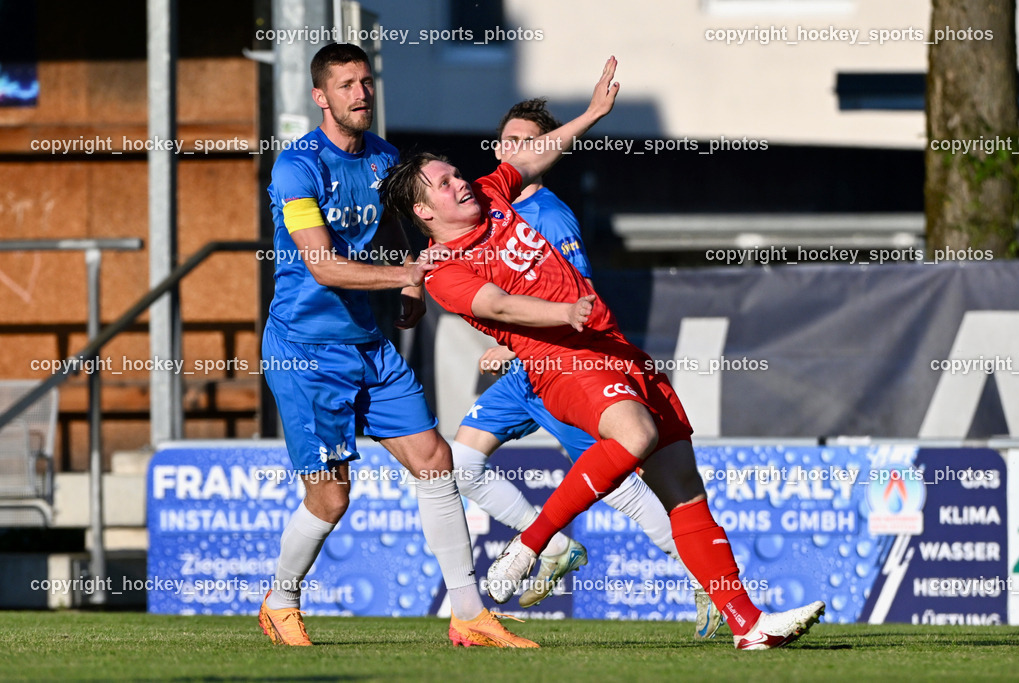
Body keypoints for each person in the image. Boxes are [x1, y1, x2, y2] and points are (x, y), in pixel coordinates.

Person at [380, 56, 825, 650]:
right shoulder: (445, 271)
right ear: (423, 212)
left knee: (685, 491)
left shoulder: (491, 193)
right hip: (561, 360)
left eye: (455, 173)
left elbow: (530, 156)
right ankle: (532, 542)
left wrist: (591, 114)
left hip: (613, 348)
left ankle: (749, 625)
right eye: (443, 182)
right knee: (633, 437)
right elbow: (503, 307)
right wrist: (563, 313)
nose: (461, 180)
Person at [258, 43, 536, 649]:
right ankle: (280, 601)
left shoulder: (386, 158)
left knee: (436, 463)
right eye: (346, 85)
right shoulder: (296, 167)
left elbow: (410, 233)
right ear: (320, 97)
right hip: (306, 352)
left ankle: (469, 615)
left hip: (368, 346)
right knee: (331, 497)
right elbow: (324, 267)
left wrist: (415, 287)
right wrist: (405, 278)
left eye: (365, 81)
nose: (360, 93)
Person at [450, 98, 723, 638]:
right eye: (506, 139)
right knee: (460, 464)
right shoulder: (489, 205)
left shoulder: (550, 216)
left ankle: (706, 582)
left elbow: (579, 299)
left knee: (622, 484)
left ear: (546, 153)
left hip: (563, 368)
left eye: (526, 141)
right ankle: (552, 545)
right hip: (524, 374)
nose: (512, 149)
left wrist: (511, 344)